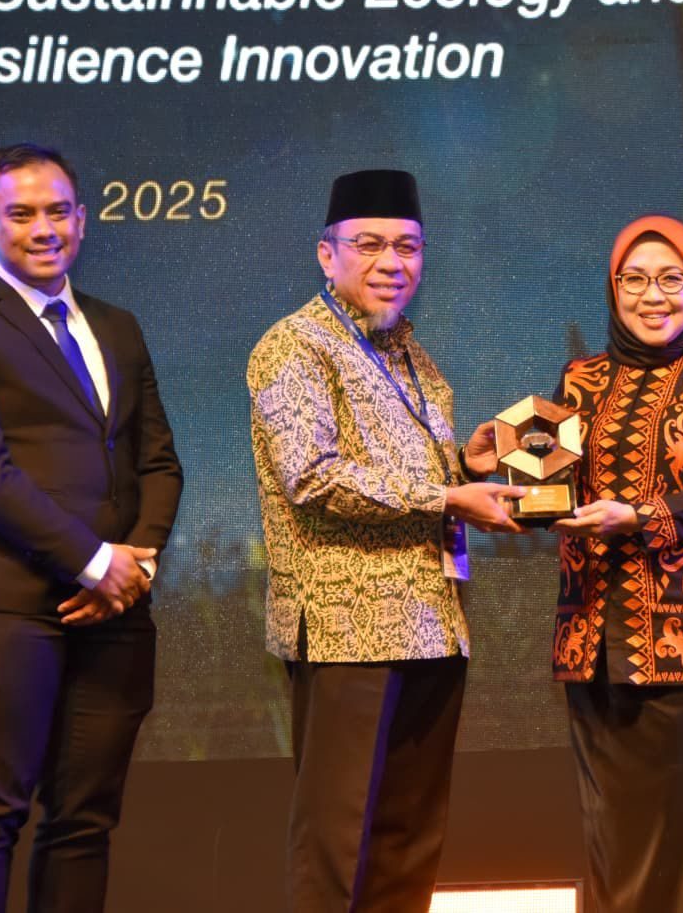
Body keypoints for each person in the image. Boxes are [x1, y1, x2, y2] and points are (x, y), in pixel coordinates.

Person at [0, 143, 184, 913]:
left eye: (58, 211)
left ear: (83, 220)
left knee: (84, 822)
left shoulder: (117, 326)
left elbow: (158, 462)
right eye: (21, 213)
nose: (44, 228)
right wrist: (94, 561)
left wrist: (135, 568)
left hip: (115, 612)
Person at [246, 169, 524, 912]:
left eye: (407, 246)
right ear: (326, 253)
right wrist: (448, 495)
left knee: (409, 840)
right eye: (369, 244)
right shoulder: (293, 346)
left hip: (433, 624)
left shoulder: (413, 356)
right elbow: (313, 477)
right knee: (337, 844)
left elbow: (407, 474)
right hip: (347, 632)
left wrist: (466, 466)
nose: (391, 262)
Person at [550, 214, 683, 912]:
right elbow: (551, 478)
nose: (653, 295)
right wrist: (497, 470)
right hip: (594, 650)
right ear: (613, 288)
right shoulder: (580, 381)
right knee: (614, 855)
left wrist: (642, 517)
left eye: (672, 278)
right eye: (635, 279)